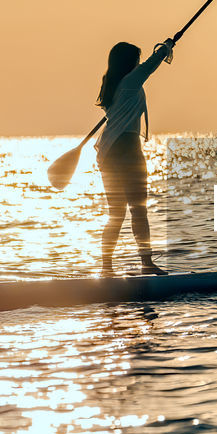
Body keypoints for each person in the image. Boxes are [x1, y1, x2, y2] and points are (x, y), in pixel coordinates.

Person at [94, 38, 174, 276]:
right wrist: (166, 47)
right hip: (127, 153)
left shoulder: (112, 84)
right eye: (136, 59)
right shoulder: (129, 82)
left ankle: (106, 268)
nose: (139, 62)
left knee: (116, 214)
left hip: (108, 155)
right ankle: (146, 264)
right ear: (129, 62)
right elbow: (150, 66)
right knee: (138, 210)